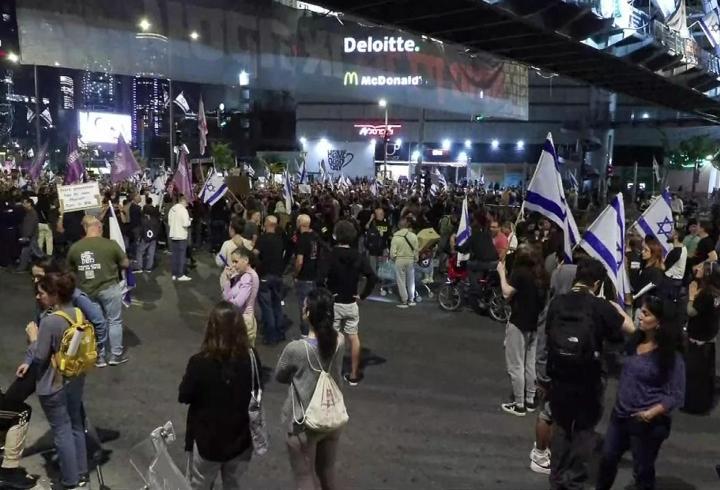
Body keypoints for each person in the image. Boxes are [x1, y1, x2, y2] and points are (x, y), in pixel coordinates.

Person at [545, 258, 635, 489]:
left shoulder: (558, 302)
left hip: (559, 376)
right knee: (584, 429)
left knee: (561, 426)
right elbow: (625, 334)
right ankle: (574, 478)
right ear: (596, 283)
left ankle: (556, 475)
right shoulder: (600, 306)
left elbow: (548, 333)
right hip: (589, 378)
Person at [596, 296, 685, 490]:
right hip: (620, 416)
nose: (640, 317)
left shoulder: (670, 356)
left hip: (647, 424)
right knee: (607, 459)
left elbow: (676, 394)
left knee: (642, 469)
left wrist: (650, 413)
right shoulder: (633, 343)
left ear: (659, 322)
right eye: (641, 312)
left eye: (646, 313)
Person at [16, 272, 89, 489]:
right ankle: (81, 472)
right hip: (74, 378)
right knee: (75, 424)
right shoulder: (76, 313)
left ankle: (69, 480)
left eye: (42, 293)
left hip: (54, 383)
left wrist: (33, 337)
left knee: (61, 430)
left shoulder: (50, 322)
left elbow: (40, 356)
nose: (38, 297)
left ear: (55, 295)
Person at [179, 301, 260, 490]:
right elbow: (257, 388)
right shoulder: (251, 357)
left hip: (208, 441)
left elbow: (184, 395)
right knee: (233, 484)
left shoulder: (199, 362)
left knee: (200, 484)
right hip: (240, 439)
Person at [275, 288, 345, 490]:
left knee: (304, 477)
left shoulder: (297, 348)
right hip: (332, 416)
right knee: (327, 472)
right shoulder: (339, 341)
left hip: (303, 422)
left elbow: (281, 375)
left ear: (308, 313)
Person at [529, 255, 580, 475]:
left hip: (558, 372)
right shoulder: (555, 309)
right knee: (548, 413)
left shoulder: (561, 306)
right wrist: (543, 376)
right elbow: (542, 344)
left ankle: (545, 449)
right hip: (552, 373)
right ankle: (540, 454)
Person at [67, 216, 129, 366]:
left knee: (96, 322)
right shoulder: (111, 245)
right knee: (114, 321)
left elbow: (70, 270)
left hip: (88, 290)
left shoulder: (75, 248)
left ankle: (99, 356)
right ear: (98, 227)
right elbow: (125, 263)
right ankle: (115, 355)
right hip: (109, 288)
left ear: (85, 228)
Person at [324, 220, 378, 386]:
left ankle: (332, 374)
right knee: (353, 337)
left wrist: (326, 294)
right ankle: (354, 374)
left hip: (334, 300)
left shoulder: (330, 254)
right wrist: (363, 295)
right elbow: (372, 277)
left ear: (337, 235)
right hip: (351, 301)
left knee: (333, 337)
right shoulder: (358, 256)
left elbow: (319, 278)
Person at [497, 246, 547, 416]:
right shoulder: (541, 274)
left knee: (516, 365)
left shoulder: (520, 273)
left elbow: (506, 293)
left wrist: (501, 273)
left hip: (518, 322)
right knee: (530, 364)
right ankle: (530, 399)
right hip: (534, 324)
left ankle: (519, 404)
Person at [31, 258, 108, 368]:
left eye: (39, 276)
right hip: (47, 355)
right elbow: (39, 320)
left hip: (68, 360)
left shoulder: (75, 296)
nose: (35, 280)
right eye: (33, 277)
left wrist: (95, 349)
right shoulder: (42, 295)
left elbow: (99, 321)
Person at [684, 261, 720, 414]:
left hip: (698, 340)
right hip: (709, 339)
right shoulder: (715, 293)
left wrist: (692, 296)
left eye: (701, 268)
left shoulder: (705, 294)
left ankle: (695, 405)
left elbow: (691, 312)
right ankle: (706, 402)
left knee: (695, 375)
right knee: (707, 374)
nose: (697, 268)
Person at [254, 215, 287, 345]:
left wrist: (258, 265)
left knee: (267, 307)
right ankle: (280, 332)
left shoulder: (262, 239)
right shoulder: (280, 240)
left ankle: (271, 335)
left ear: (267, 224)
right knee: (277, 304)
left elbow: (255, 254)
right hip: (278, 275)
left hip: (265, 275)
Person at [221, 247, 260, 347]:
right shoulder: (241, 276)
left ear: (246, 260)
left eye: (236, 261)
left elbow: (238, 303)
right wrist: (228, 280)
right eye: (232, 261)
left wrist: (229, 300)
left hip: (243, 321)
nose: (233, 265)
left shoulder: (248, 277)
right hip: (239, 319)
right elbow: (226, 296)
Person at [294, 214, 320, 336]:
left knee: (304, 307)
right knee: (313, 306)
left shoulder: (303, 239)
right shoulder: (315, 236)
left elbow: (300, 261)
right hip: (314, 275)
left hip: (304, 277)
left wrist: (295, 274)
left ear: (300, 224)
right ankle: (314, 332)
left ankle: (305, 334)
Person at [390, 217, 419, 308]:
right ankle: (411, 299)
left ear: (399, 226)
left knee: (401, 281)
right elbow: (416, 250)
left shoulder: (395, 237)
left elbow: (392, 253)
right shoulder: (413, 236)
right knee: (411, 280)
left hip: (400, 260)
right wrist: (415, 259)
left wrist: (394, 259)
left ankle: (404, 300)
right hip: (410, 260)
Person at [365, 206, 391, 294]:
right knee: (373, 265)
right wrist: (371, 219)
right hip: (373, 248)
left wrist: (389, 247)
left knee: (383, 265)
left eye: (382, 213)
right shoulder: (373, 222)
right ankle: (374, 279)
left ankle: (383, 281)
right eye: (379, 214)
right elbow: (366, 227)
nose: (381, 215)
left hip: (383, 247)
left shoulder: (386, 223)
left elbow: (389, 235)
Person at [168, 195, 192, 282]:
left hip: (173, 234)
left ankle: (174, 274)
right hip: (181, 235)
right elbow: (186, 223)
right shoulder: (183, 210)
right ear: (183, 201)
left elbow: (169, 222)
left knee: (174, 256)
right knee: (181, 256)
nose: (188, 204)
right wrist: (190, 220)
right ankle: (180, 274)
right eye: (187, 202)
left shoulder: (172, 209)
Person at [135, 196, 161, 273]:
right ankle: (149, 267)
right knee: (151, 252)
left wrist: (138, 237)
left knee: (139, 251)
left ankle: (139, 266)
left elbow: (141, 230)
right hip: (153, 237)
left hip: (145, 238)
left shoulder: (142, 220)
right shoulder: (155, 220)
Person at [16, 196, 40, 273]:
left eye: (24, 203)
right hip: (30, 236)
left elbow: (29, 226)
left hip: (30, 237)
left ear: (29, 204)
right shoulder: (29, 212)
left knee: (36, 253)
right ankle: (24, 267)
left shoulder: (31, 213)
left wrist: (26, 237)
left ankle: (22, 268)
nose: (22, 204)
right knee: (29, 252)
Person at [664, 229, 687, 301]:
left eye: (670, 233)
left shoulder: (676, 252)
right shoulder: (683, 248)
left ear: (676, 236)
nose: (668, 235)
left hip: (670, 282)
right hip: (675, 281)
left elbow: (664, 267)